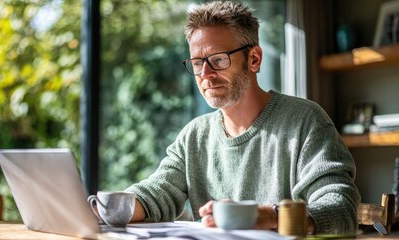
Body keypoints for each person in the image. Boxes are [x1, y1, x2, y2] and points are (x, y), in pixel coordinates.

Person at [125, 0, 360, 234]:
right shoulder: (194, 136)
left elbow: (340, 207)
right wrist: (108, 207)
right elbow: (156, 194)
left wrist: (266, 216)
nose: (205, 74)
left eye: (218, 60)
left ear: (254, 59)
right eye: (197, 63)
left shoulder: (306, 121)